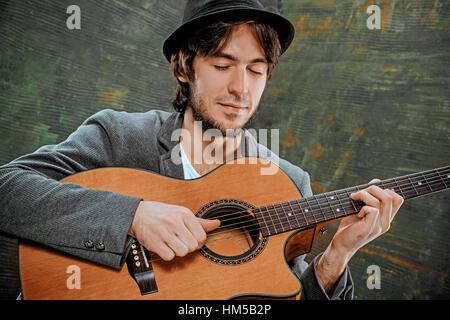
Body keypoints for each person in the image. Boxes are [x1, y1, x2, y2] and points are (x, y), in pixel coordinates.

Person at [0, 0, 404, 300]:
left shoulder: (288, 182)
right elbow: (7, 189)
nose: (241, 89)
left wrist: (338, 254)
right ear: (184, 67)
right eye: (223, 65)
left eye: (256, 70)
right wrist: (132, 217)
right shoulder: (119, 135)